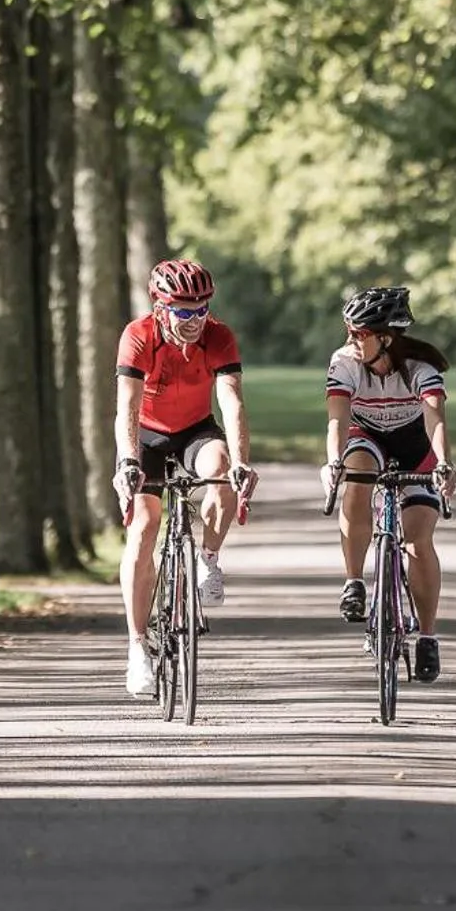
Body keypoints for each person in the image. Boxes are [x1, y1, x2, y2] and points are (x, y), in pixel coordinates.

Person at [112, 259, 257, 697]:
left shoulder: (218, 335)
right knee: (144, 526)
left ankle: (207, 559)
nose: (195, 320)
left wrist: (242, 461)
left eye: (202, 309)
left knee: (221, 471)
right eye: (184, 311)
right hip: (147, 436)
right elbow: (127, 407)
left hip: (196, 429)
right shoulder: (139, 335)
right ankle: (138, 646)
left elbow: (231, 400)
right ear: (160, 307)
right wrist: (128, 462)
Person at [322, 286, 456, 683]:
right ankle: (354, 582)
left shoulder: (420, 368)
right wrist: (333, 461)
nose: (350, 340)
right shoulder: (344, 362)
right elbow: (337, 418)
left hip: (416, 447)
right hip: (367, 438)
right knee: (357, 476)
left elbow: (435, 420)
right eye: (348, 331)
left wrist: (444, 464)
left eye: (358, 334)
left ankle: (428, 636)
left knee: (418, 540)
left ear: (385, 338)